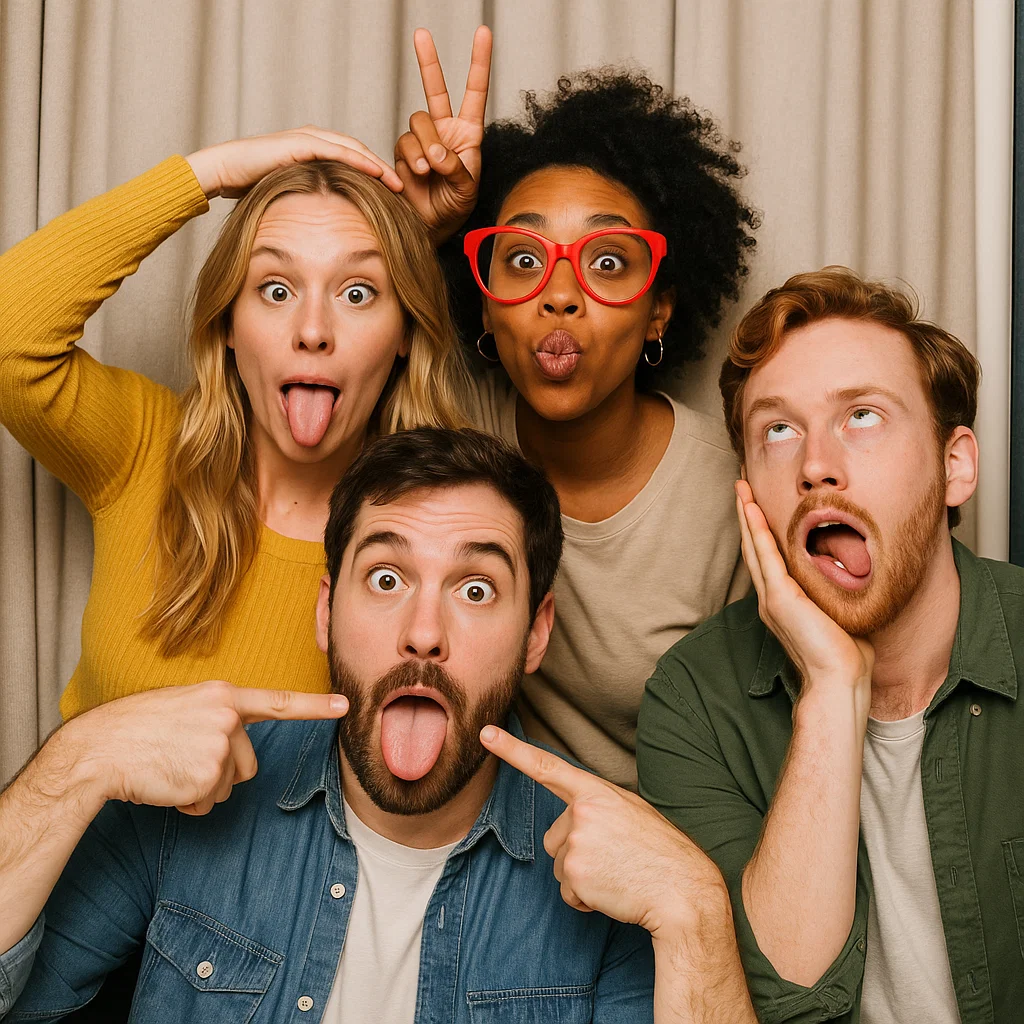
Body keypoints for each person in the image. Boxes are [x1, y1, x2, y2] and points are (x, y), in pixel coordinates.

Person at [0, 428, 754, 1023]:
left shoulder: (613, 879)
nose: (423, 632)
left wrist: (696, 911)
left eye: (477, 587)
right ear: (327, 612)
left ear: (536, 632)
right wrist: (78, 761)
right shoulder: (193, 799)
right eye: (386, 579)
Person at [636, 267, 1024, 1023]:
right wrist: (833, 686)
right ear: (748, 490)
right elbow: (788, 1000)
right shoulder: (693, 702)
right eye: (777, 431)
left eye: (863, 416)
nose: (815, 464)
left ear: (956, 465)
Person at [389, 27, 759, 790]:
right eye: (523, 260)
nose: (560, 293)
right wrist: (415, 231)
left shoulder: (734, 493)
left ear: (659, 311)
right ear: (484, 307)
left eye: (608, 263)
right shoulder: (443, 431)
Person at [0, 130, 468, 721]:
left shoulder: (442, 536)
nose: (313, 329)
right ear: (227, 323)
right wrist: (206, 173)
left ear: (404, 332)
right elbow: (9, 335)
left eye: (357, 292)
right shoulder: (145, 448)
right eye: (275, 289)